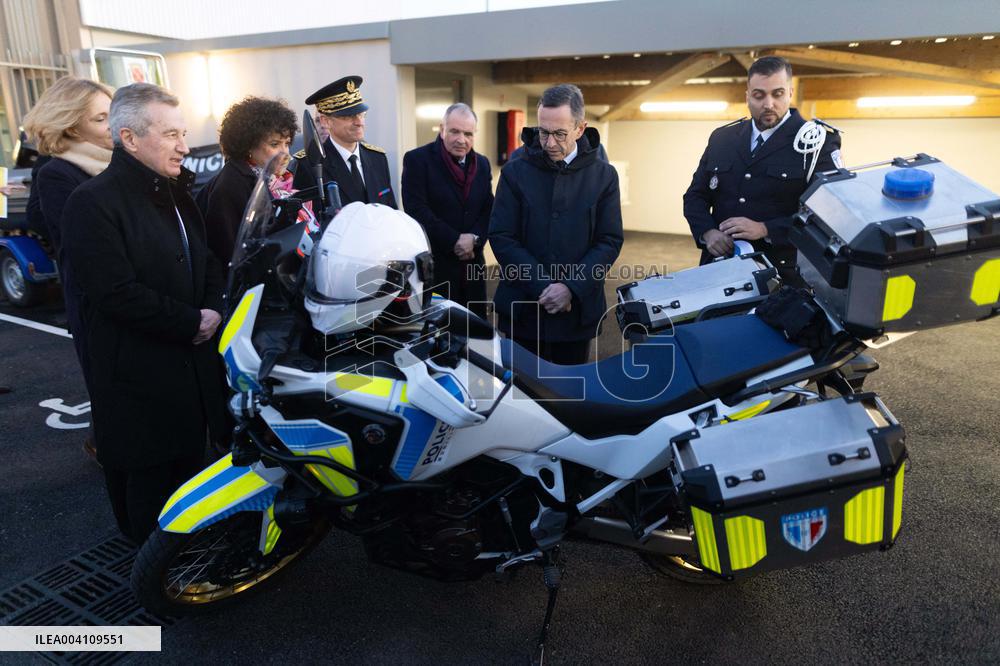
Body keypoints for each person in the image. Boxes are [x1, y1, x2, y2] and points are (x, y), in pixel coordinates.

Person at [62, 83, 229, 544]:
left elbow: (208, 260)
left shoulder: (175, 189)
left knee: (190, 480)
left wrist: (213, 308)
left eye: (183, 133)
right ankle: (157, 590)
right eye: (171, 134)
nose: (183, 146)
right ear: (130, 138)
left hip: (190, 370)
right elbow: (115, 293)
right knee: (150, 502)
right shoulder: (91, 202)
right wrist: (191, 322)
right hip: (139, 379)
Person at [489, 84, 623, 365]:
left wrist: (570, 288)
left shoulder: (604, 176)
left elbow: (608, 240)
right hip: (522, 311)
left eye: (559, 134)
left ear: (580, 128)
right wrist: (543, 286)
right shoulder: (514, 172)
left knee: (568, 400)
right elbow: (502, 236)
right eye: (543, 132)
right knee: (519, 400)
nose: (549, 143)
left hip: (575, 316)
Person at [683, 56, 842, 283]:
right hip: (720, 269)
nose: (768, 104)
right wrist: (707, 232)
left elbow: (829, 213)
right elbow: (695, 196)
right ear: (747, 96)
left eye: (777, 94)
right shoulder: (722, 139)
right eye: (759, 95)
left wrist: (767, 229)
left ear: (790, 92)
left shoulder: (817, 143)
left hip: (782, 276)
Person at [22, 76, 115, 459]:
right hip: (96, 297)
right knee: (109, 387)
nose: (112, 126)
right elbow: (45, 221)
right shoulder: (57, 171)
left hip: (125, 293)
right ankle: (105, 447)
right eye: (101, 118)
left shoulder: (115, 160)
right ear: (72, 124)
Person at [401, 103, 492, 317]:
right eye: (455, 131)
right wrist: (454, 239)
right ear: (442, 129)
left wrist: (475, 238)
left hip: (473, 269)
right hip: (436, 268)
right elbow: (416, 209)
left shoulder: (483, 164)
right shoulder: (417, 160)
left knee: (475, 335)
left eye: (468, 133)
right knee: (439, 336)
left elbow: (489, 208)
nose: (462, 139)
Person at [202, 96, 297, 267]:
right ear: (248, 145)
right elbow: (228, 254)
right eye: (275, 144)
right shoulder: (230, 185)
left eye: (287, 143)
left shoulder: (272, 177)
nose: (285, 153)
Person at [292, 75, 396, 208]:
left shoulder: (377, 158)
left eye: (361, 114)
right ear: (326, 121)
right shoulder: (309, 164)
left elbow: (390, 210)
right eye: (349, 117)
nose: (359, 122)